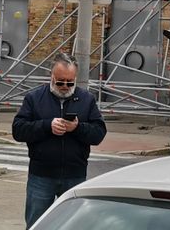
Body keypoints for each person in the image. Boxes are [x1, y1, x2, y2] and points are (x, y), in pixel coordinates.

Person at [13, 54, 107, 226]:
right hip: (41, 176)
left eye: (70, 82)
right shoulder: (34, 98)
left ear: (75, 79)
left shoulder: (86, 99)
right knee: (37, 223)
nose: (65, 86)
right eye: (60, 82)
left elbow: (99, 133)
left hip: (75, 175)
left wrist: (77, 128)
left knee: (73, 225)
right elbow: (18, 130)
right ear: (52, 77)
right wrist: (47, 126)